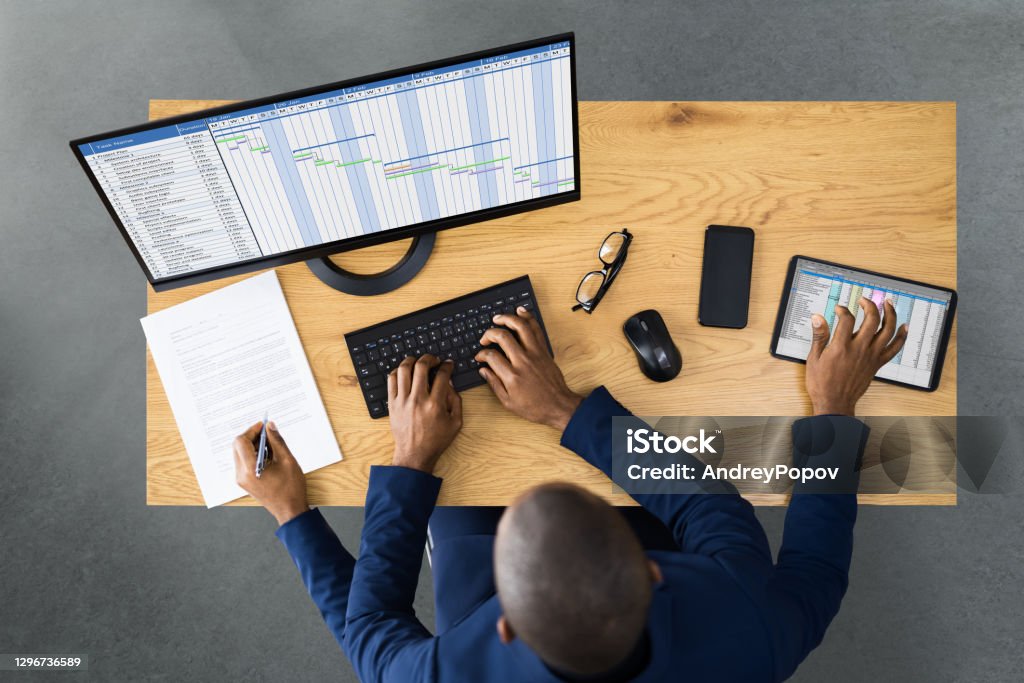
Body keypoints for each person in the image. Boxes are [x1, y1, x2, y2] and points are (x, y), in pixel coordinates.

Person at [233, 297, 907, 682]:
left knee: (463, 495)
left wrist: (316, 501)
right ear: (650, 570)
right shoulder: (752, 625)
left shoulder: (453, 674)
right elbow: (800, 556)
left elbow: (373, 632)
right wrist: (834, 410)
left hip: (481, 557)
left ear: (503, 621)